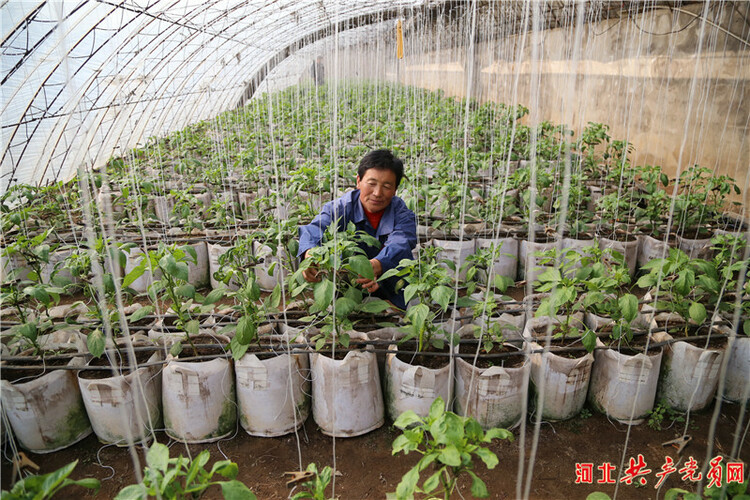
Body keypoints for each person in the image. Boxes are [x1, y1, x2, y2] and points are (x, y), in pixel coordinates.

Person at [297, 149, 417, 310]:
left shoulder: (402, 214)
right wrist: (309, 254)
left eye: (387, 186)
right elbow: (313, 230)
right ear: (359, 181)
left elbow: (401, 243)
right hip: (346, 281)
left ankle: (393, 307)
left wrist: (376, 265)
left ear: (395, 190)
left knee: (399, 286)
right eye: (372, 183)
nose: (377, 193)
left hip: (389, 283)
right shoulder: (340, 208)